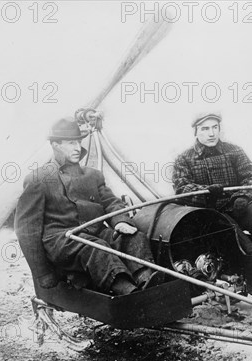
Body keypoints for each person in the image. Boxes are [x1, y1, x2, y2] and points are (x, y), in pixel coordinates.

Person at [15, 118, 162, 296]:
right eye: (71, 143)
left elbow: (111, 202)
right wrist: (43, 273)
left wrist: (120, 221)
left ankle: (148, 282)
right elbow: (27, 230)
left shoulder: (92, 175)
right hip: (62, 240)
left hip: (95, 232)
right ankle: (129, 293)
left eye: (79, 141)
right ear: (55, 145)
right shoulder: (39, 179)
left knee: (133, 237)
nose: (78, 147)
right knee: (97, 249)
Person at [172, 112, 252, 254]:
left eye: (215, 127)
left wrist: (243, 196)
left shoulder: (234, 151)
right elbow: (182, 187)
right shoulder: (184, 159)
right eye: (205, 129)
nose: (211, 133)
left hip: (237, 205)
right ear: (196, 131)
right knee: (224, 223)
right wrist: (207, 192)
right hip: (210, 212)